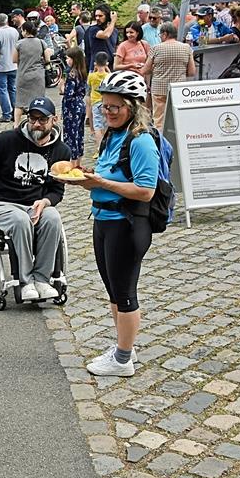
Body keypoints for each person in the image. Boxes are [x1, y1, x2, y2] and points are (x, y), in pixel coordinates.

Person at [72, 71, 158, 378]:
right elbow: (107, 176)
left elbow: (146, 191)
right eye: (104, 107)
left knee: (124, 293)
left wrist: (103, 184)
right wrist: (88, 181)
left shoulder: (141, 141)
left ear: (133, 106)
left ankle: (122, 360)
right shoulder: (112, 135)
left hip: (127, 224)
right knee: (113, 291)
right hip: (104, 220)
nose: (108, 112)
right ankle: (125, 346)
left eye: (115, 107)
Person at [0, 97, 71, 301]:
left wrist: (45, 202)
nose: (36, 124)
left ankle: (42, 279)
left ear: (54, 120)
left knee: (53, 219)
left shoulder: (62, 151)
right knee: (20, 220)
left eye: (42, 119)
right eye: (32, 118)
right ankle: (24, 281)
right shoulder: (5, 141)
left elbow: (56, 190)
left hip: (35, 204)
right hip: (2, 203)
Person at [141, 22, 196, 131]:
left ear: (165, 34)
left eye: (160, 35)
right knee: (178, 118)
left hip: (159, 89)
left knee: (159, 119)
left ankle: (161, 143)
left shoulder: (156, 48)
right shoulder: (186, 48)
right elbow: (191, 72)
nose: (160, 37)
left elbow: (145, 70)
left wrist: (155, 68)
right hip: (178, 89)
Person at [13, 20, 51, 123]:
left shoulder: (19, 44)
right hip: (38, 76)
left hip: (23, 75)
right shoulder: (41, 42)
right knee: (38, 101)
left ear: (25, 31)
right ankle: (37, 121)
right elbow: (47, 58)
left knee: (20, 102)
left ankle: (16, 124)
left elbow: (14, 60)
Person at [0, 13, 20, 123]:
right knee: (13, 89)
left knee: (2, 90)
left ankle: (6, 114)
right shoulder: (15, 32)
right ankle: (15, 113)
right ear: (7, 21)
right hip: (14, 65)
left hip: (1, 66)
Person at [59, 48, 88, 158]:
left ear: (74, 59)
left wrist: (62, 87)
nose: (66, 60)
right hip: (80, 105)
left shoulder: (71, 74)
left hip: (71, 107)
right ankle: (78, 160)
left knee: (70, 136)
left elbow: (68, 94)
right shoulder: (82, 72)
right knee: (79, 134)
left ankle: (71, 161)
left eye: (67, 58)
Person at [86, 52, 112, 146]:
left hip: (95, 103)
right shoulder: (108, 76)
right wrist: (107, 69)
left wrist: (94, 69)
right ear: (107, 63)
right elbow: (111, 76)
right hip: (105, 103)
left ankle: (99, 147)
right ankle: (107, 146)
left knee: (97, 126)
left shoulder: (91, 76)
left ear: (95, 63)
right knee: (106, 125)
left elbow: (88, 87)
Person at [85, 5, 119, 71]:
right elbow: (105, 35)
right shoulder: (93, 29)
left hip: (110, 66)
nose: (97, 18)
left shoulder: (115, 31)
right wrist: (113, 21)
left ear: (107, 16)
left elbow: (116, 47)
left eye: (100, 16)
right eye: (96, 16)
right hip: (97, 68)